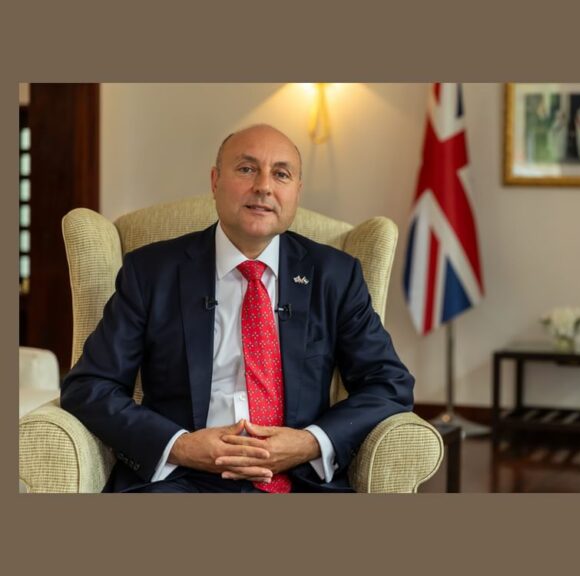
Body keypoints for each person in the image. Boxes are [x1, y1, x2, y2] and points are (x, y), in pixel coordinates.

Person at [60, 124, 415, 493]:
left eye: (281, 174)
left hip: (298, 478)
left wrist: (309, 442)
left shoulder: (334, 275)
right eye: (246, 169)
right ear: (215, 181)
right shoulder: (152, 272)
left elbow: (389, 383)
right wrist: (180, 446)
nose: (264, 186)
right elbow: (89, 386)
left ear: (297, 191)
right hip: (181, 477)